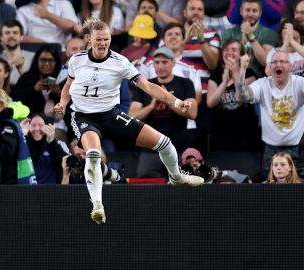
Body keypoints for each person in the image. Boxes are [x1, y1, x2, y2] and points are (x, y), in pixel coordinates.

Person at [54, 18, 204, 225]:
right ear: (89, 39)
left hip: (110, 114)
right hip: (84, 116)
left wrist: (177, 102)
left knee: (165, 143)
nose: (103, 43)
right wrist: (63, 103)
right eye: (98, 39)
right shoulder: (76, 60)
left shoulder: (120, 62)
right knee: (94, 154)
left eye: (106, 39)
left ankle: (176, 176)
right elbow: (68, 85)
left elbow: (150, 87)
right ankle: (97, 205)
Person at [235, 50, 304, 179]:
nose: (278, 64)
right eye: (274, 62)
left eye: (283, 61)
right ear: (270, 67)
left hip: (298, 148)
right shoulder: (263, 84)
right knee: (269, 193)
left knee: (299, 191)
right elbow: (242, 96)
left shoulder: (299, 83)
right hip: (271, 150)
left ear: (290, 67)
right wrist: (242, 69)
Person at [129, 47, 198, 177]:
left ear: (173, 63)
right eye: (157, 62)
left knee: (180, 187)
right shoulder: (146, 86)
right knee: (146, 187)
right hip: (150, 147)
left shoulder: (185, 83)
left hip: (178, 145)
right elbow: (132, 115)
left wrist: (167, 99)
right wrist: (150, 106)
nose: (160, 66)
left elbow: (192, 112)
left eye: (164, 62)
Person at [206, 39, 260, 152]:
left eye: (234, 50)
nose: (229, 52)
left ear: (240, 55)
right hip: (220, 133)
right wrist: (224, 82)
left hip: (245, 132)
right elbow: (210, 103)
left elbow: (242, 97)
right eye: (226, 49)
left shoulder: (250, 74)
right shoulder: (216, 75)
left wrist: (235, 73)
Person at [221, 0, 278, 79]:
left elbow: (266, 62)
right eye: (247, 10)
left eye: (254, 11)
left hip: (259, 80)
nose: (250, 14)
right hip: (232, 79)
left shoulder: (269, 34)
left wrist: (251, 37)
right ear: (241, 11)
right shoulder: (229, 33)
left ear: (260, 13)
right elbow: (225, 60)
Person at [13, 44, 62, 116]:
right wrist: (34, 89)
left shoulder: (63, 79)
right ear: (37, 61)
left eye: (50, 60)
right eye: (43, 60)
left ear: (56, 62)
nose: (46, 63)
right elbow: (15, 99)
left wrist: (58, 94)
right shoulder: (26, 78)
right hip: (31, 120)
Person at [23, 113, 69, 184]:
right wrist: (22, 137)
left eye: (41, 125)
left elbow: (66, 162)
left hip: (50, 191)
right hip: (26, 190)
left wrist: (52, 142)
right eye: (33, 125)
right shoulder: (23, 144)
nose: (37, 129)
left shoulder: (55, 144)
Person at [0, 20, 35, 85]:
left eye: (15, 33)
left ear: (21, 37)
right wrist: (9, 63)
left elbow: (34, 85)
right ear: (1, 38)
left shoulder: (33, 57)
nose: (11, 36)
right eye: (7, 33)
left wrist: (21, 69)